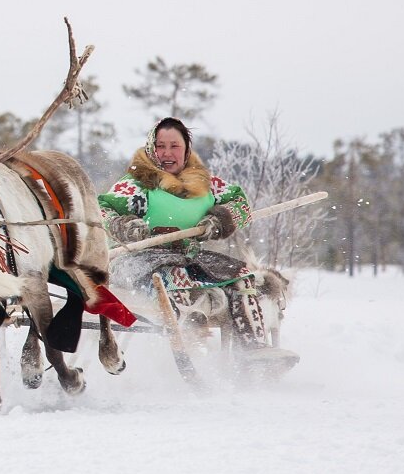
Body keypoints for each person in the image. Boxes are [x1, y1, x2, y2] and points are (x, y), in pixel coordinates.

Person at [98, 117, 298, 375]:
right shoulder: (137, 183)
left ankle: (253, 349)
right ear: (151, 148)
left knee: (242, 276)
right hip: (138, 258)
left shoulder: (204, 183)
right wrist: (123, 225)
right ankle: (189, 334)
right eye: (161, 146)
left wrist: (220, 219)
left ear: (186, 149)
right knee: (173, 276)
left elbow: (241, 205)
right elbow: (101, 211)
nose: (167, 153)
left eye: (175, 146)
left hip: (188, 254)